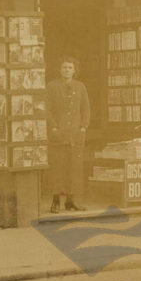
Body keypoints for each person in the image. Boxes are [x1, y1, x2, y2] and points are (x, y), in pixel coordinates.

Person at [46, 56, 90, 213]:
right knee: (58, 168)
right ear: (59, 69)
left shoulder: (80, 87)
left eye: (70, 68)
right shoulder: (52, 86)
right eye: (64, 67)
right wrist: (53, 128)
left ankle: (71, 201)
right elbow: (47, 110)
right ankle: (56, 201)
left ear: (75, 70)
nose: (67, 70)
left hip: (75, 135)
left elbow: (85, 108)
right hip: (58, 134)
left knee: (74, 168)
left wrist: (83, 127)